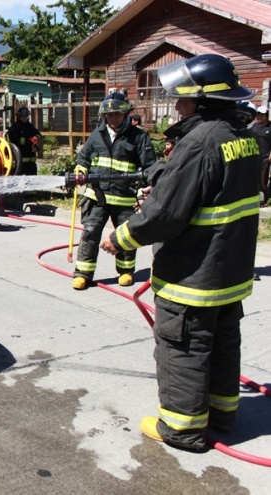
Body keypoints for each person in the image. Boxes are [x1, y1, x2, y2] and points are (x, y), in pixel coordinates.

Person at [100, 54, 260, 451]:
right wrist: (165, 178)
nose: (176, 108)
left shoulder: (199, 143)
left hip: (193, 275)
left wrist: (119, 238)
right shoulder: (246, 138)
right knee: (222, 344)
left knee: (183, 347)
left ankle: (181, 428)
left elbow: (165, 215)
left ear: (202, 103)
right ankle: (223, 414)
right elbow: (212, 191)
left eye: (183, 102)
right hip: (230, 272)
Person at [71, 92, 155, 290]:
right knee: (90, 232)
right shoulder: (97, 135)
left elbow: (150, 165)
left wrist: (149, 184)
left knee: (126, 236)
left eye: (116, 114)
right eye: (109, 115)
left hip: (124, 197)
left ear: (125, 113)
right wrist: (80, 170)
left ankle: (126, 271)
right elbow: (83, 158)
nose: (112, 118)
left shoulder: (139, 137)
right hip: (97, 196)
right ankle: (83, 273)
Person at [7, 106, 43, 175]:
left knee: (32, 180)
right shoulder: (15, 127)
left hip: (31, 162)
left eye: (26, 116)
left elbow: (38, 134)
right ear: (19, 116)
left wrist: (36, 138)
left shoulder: (30, 126)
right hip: (20, 162)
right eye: (23, 116)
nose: (24, 118)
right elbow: (15, 138)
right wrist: (27, 141)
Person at [251, 105, 271, 204]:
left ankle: (265, 199)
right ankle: (257, 198)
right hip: (255, 156)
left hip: (265, 158)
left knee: (263, 179)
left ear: (267, 116)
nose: (259, 117)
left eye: (262, 115)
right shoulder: (255, 126)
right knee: (255, 179)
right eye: (258, 114)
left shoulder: (270, 127)